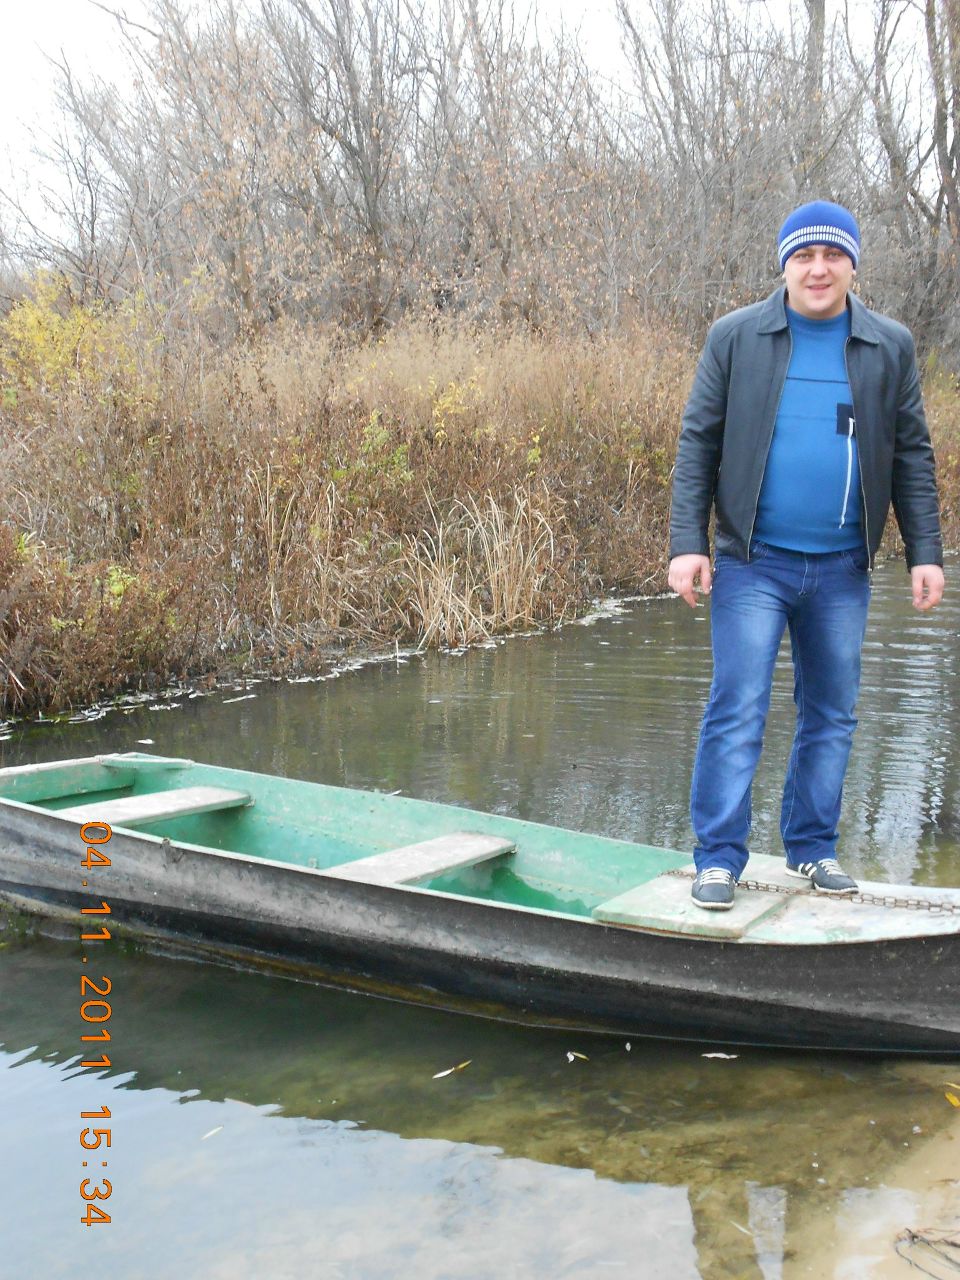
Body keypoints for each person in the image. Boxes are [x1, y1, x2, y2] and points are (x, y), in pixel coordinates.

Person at [667, 200, 945, 910]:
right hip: (752, 561)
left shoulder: (889, 345)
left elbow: (912, 452)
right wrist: (687, 546)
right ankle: (718, 858)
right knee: (739, 705)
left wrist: (925, 552)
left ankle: (812, 849)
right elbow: (698, 442)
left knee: (832, 711)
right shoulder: (736, 337)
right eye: (804, 256)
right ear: (785, 264)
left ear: (853, 263)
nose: (818, 269)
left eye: (832, 256)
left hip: (844, 568)